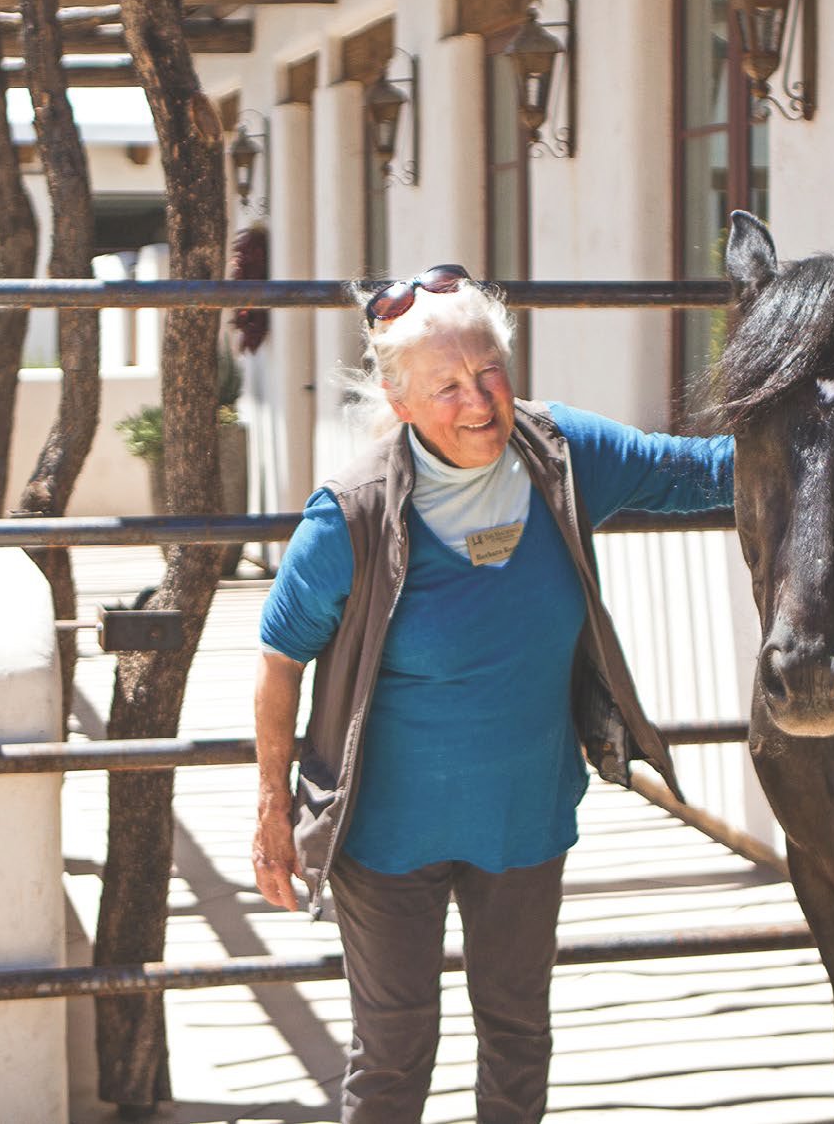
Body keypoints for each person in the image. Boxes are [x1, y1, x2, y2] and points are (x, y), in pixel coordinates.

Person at [250, 264, 734, 1124]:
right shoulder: (352, 514)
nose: (477, 401)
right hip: (387, 836)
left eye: (488, 372)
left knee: (517, 1038)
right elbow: (281, 655)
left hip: (521, 819)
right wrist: (272, 809)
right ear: (399, 403)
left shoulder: (562, 455)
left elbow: (696, 470)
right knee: (395, 1054)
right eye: (445, 386)